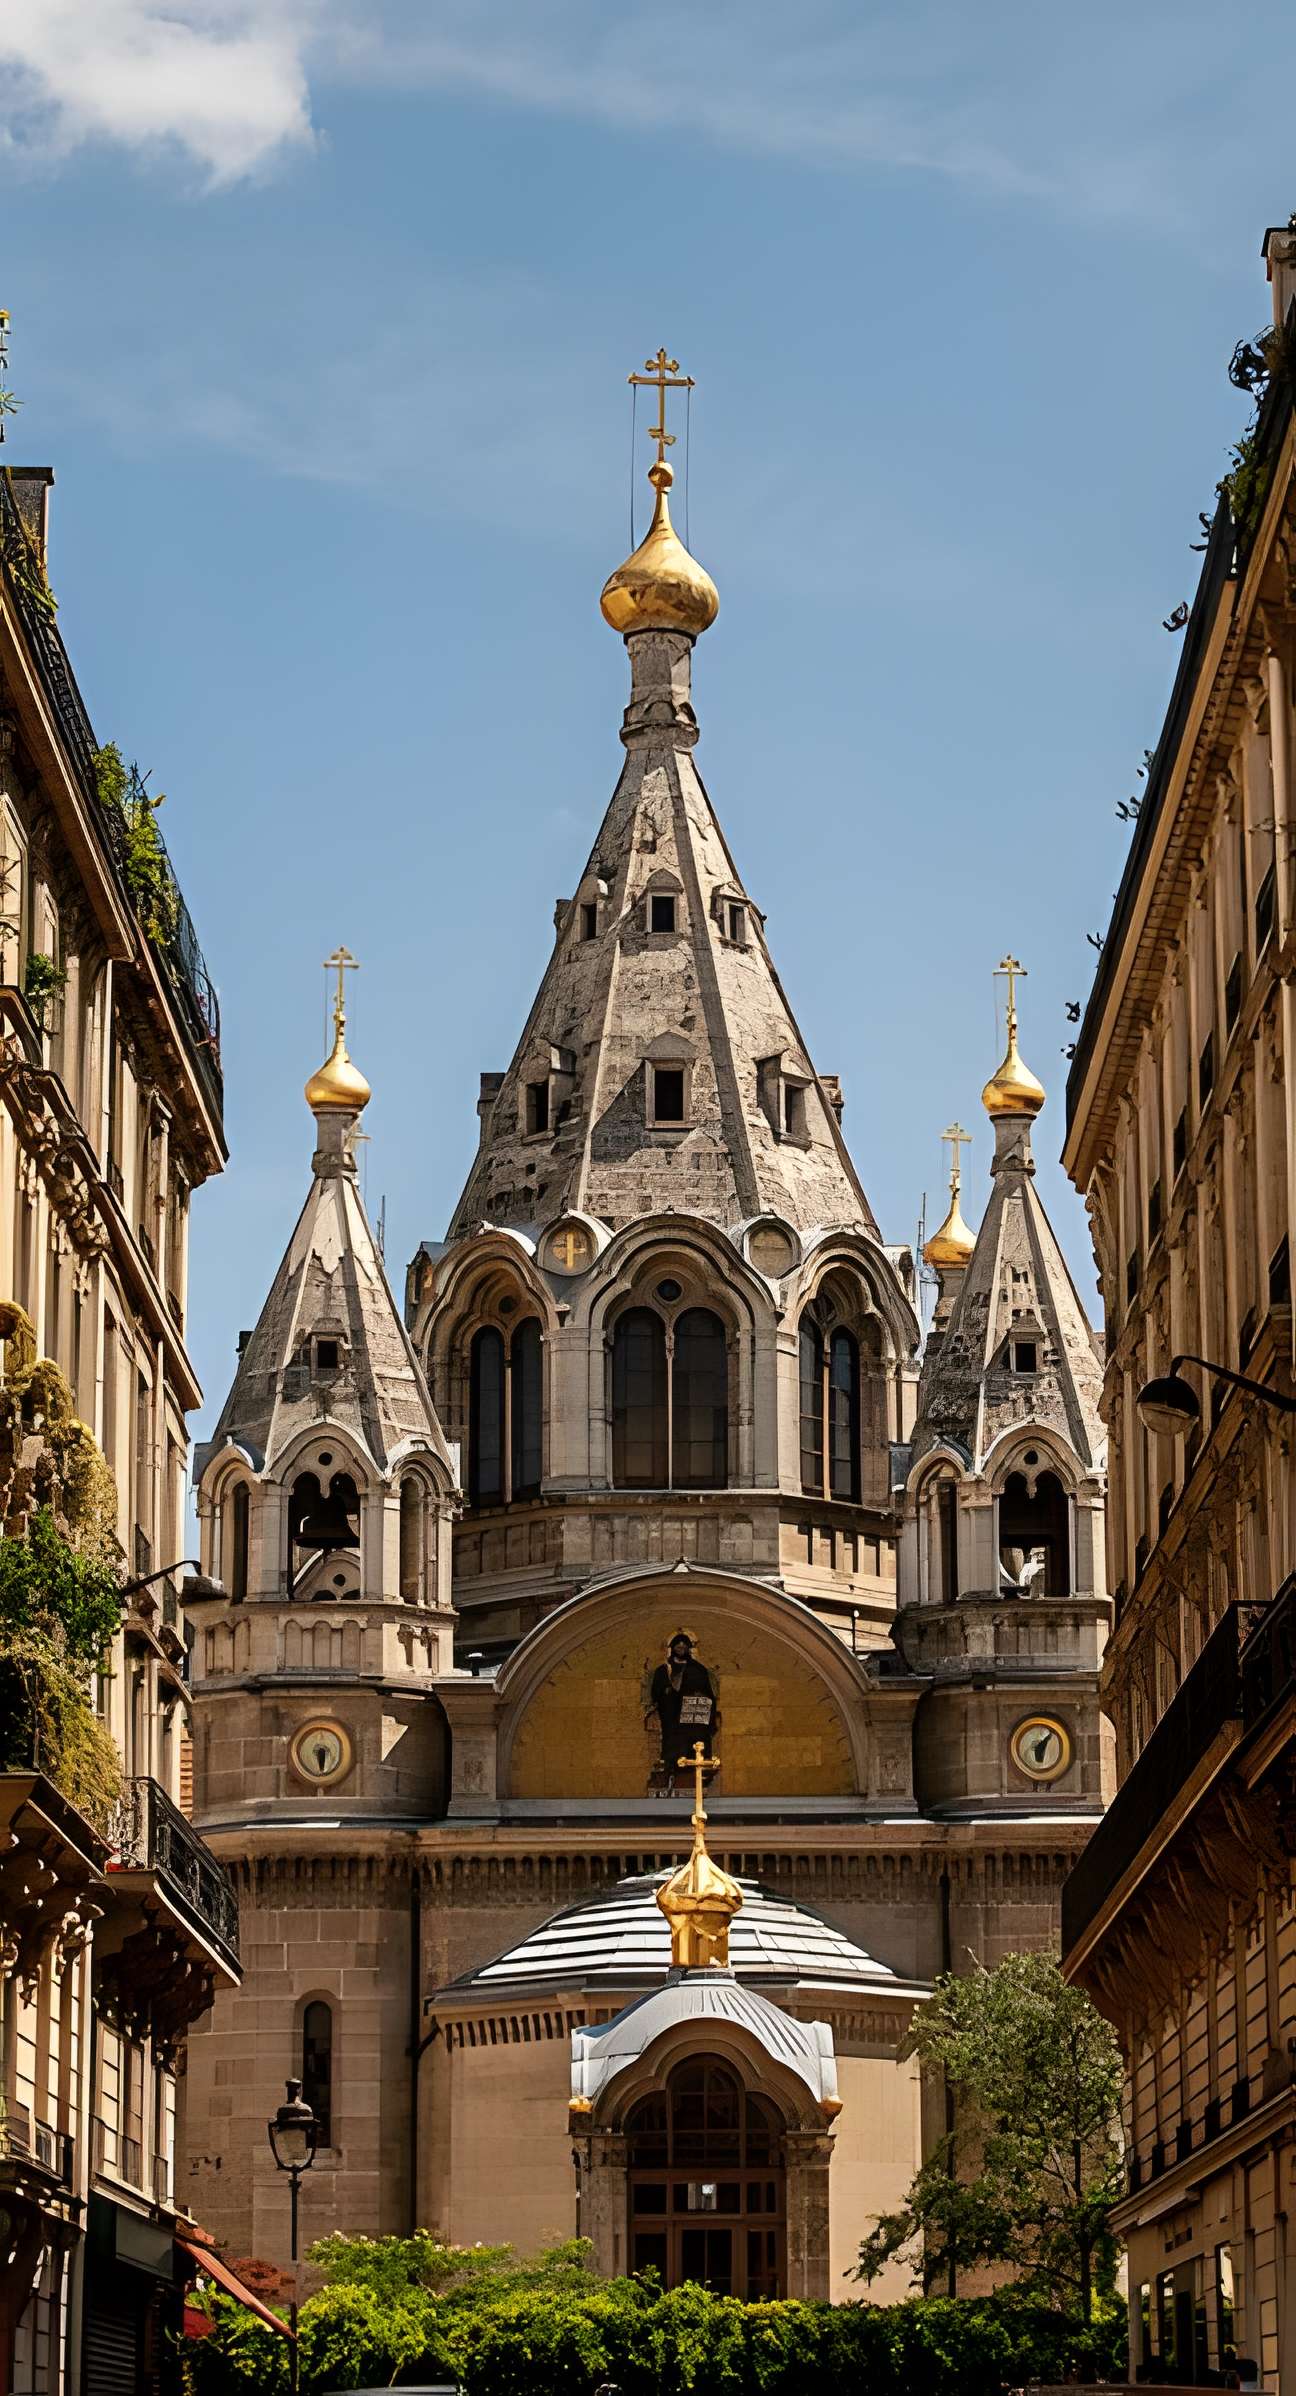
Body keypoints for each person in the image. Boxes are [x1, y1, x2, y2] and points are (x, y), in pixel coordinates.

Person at [645, 1631, 718, 1784]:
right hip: (670, 1718)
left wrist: (697, 1696)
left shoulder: (698, 1670)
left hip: (692, 1720)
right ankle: (670, 1769)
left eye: (684, 1647)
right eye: (678, 1647)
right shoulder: (663, 1670)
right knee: (671, 1745)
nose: (681, 1648)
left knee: (693, 1746)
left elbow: (708, 1696)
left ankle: (694, 1773)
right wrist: (665, 1692)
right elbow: (655, 1693)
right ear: (672, 1649)